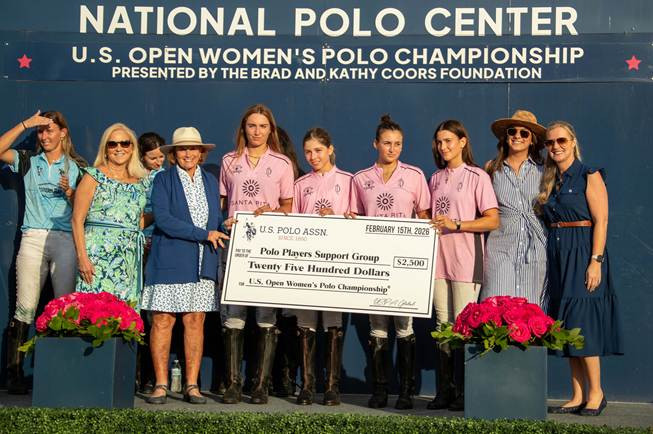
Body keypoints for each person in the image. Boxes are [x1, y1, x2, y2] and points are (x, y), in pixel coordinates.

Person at [538, 121, 623, 416]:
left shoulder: (589, 175)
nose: (556, 146)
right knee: (565, 325)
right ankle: (577, 394)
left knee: (582, 324)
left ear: (573, 142)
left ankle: (596, 393)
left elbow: (602, 221)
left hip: (583, 253)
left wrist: (595, 261)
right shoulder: (551, 181)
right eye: (550, 142)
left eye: (561, 140)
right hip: (558, 256)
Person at [140, 126, 228, 405]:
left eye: (193, 148)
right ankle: (160, 384)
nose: (188, 153)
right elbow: (163, 219)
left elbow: (214, 221)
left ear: (201, 153)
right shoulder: (163, 180)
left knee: (195, 321)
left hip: (202, 262)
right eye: (182, 149)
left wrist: (224, 225)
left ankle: (192, 385)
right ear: (173, 154)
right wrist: (203, 234)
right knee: (163, 320)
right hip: (170, 259)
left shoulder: (211, 181)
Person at [0, 110, 86, 394]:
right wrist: (26, 124)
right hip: (33, 237)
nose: (45, 135)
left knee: (65, 307)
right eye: (41, 131)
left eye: (50, 130)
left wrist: (71, 194)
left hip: (65, 240)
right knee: (25, 307)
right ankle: (14, 375)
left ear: (63, 133)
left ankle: (62, 374)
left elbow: (87, 209)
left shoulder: (78, 166)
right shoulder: (28, 160)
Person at [349, 114, 430, 410]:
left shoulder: (415, 175)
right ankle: (380, 389)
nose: (392, 149)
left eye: (397, 144)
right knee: (378, 325)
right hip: (374, 262)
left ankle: (406, 391)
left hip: (404, 262)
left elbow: (424, 216)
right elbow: (355, 217)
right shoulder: (360, 179)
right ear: (376, 144)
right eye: (387, 143)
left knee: (404, 324)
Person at [219, 103, 294, 404]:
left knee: (265, 314)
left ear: (270, 130)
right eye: (252, 125)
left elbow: (289, 206)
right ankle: (233, 384)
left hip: (267, 247)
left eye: (263, 126)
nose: (257, 131)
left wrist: (273, 212)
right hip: (235, 244)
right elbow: (221, 203)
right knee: (234, 314)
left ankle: (261, 385)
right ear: (244, 128)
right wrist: (223, 221)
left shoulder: (282, 163)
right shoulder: (228, 161)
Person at [428, 120, 499, 411]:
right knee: (442, 324)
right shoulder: (435, 178)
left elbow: (492, 220)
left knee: (463, 324)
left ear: (462, 142)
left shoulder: (477, 176)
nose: (443, 147)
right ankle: (445, 390)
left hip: (466, 260)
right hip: (438, 261)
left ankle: (464, 392)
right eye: (439, 142)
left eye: (448, 141)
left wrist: (457, 224)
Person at [292, 127, 352, 406]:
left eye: (318, 150)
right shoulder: (301, 184)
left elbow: (356, 220)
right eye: (308, 152)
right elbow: (293, 223)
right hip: (307, 262)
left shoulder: (348, 181)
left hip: (337, 263)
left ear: (330, 149)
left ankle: (331, 387)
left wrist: (337, 217)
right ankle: (307, 386)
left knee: (332, 323)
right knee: (305, 324)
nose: (313, 156)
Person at [71, 123, 149, 306]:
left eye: (125, 143)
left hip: (128, 259)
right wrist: (82, 258)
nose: (119, 148)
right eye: (113, 144)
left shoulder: (140, 182)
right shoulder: (93, 176)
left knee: (125, 312)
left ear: (132, 148)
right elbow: (76, 220)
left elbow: (137, 222)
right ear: (105, 149)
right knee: (94, 311)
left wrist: (162, 215)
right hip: (97, 258)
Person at [483, 110, 547, 305]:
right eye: (512, 131)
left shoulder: (544, 170)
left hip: (535, 248)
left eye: (524, 133)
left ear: (532, 140)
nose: (517, 136)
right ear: (506, 136)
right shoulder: (492, 168)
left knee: (531, 308)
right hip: (500, 247)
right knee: (495, 306)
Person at [136, 131, 166, 394]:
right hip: (134, 245)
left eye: (161, 157)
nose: (158, 162)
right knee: (133, 307)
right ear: (141, 156)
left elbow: (163, 212)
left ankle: (149, 375)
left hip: (156, 245)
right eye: (153, 158)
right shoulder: (133, 175)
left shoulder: (164, 178)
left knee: (153, 312)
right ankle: (133, 372)